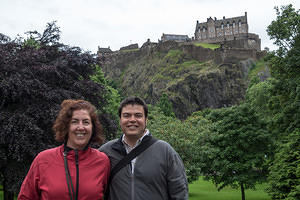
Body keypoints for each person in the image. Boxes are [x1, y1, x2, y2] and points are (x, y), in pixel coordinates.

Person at [18, 99, 110, 200]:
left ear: (93, 128)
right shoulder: (43, 160)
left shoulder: (102, 161)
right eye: (74, 122)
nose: (80, 127)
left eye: (86, 122)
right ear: (66, 126)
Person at [99, 96, 188, 200]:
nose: (132, 120)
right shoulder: (106, 152)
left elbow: (180, 192)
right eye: (126, 115)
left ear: (146, 120)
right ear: (120, 120)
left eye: (138, 115)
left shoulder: (165, 151)